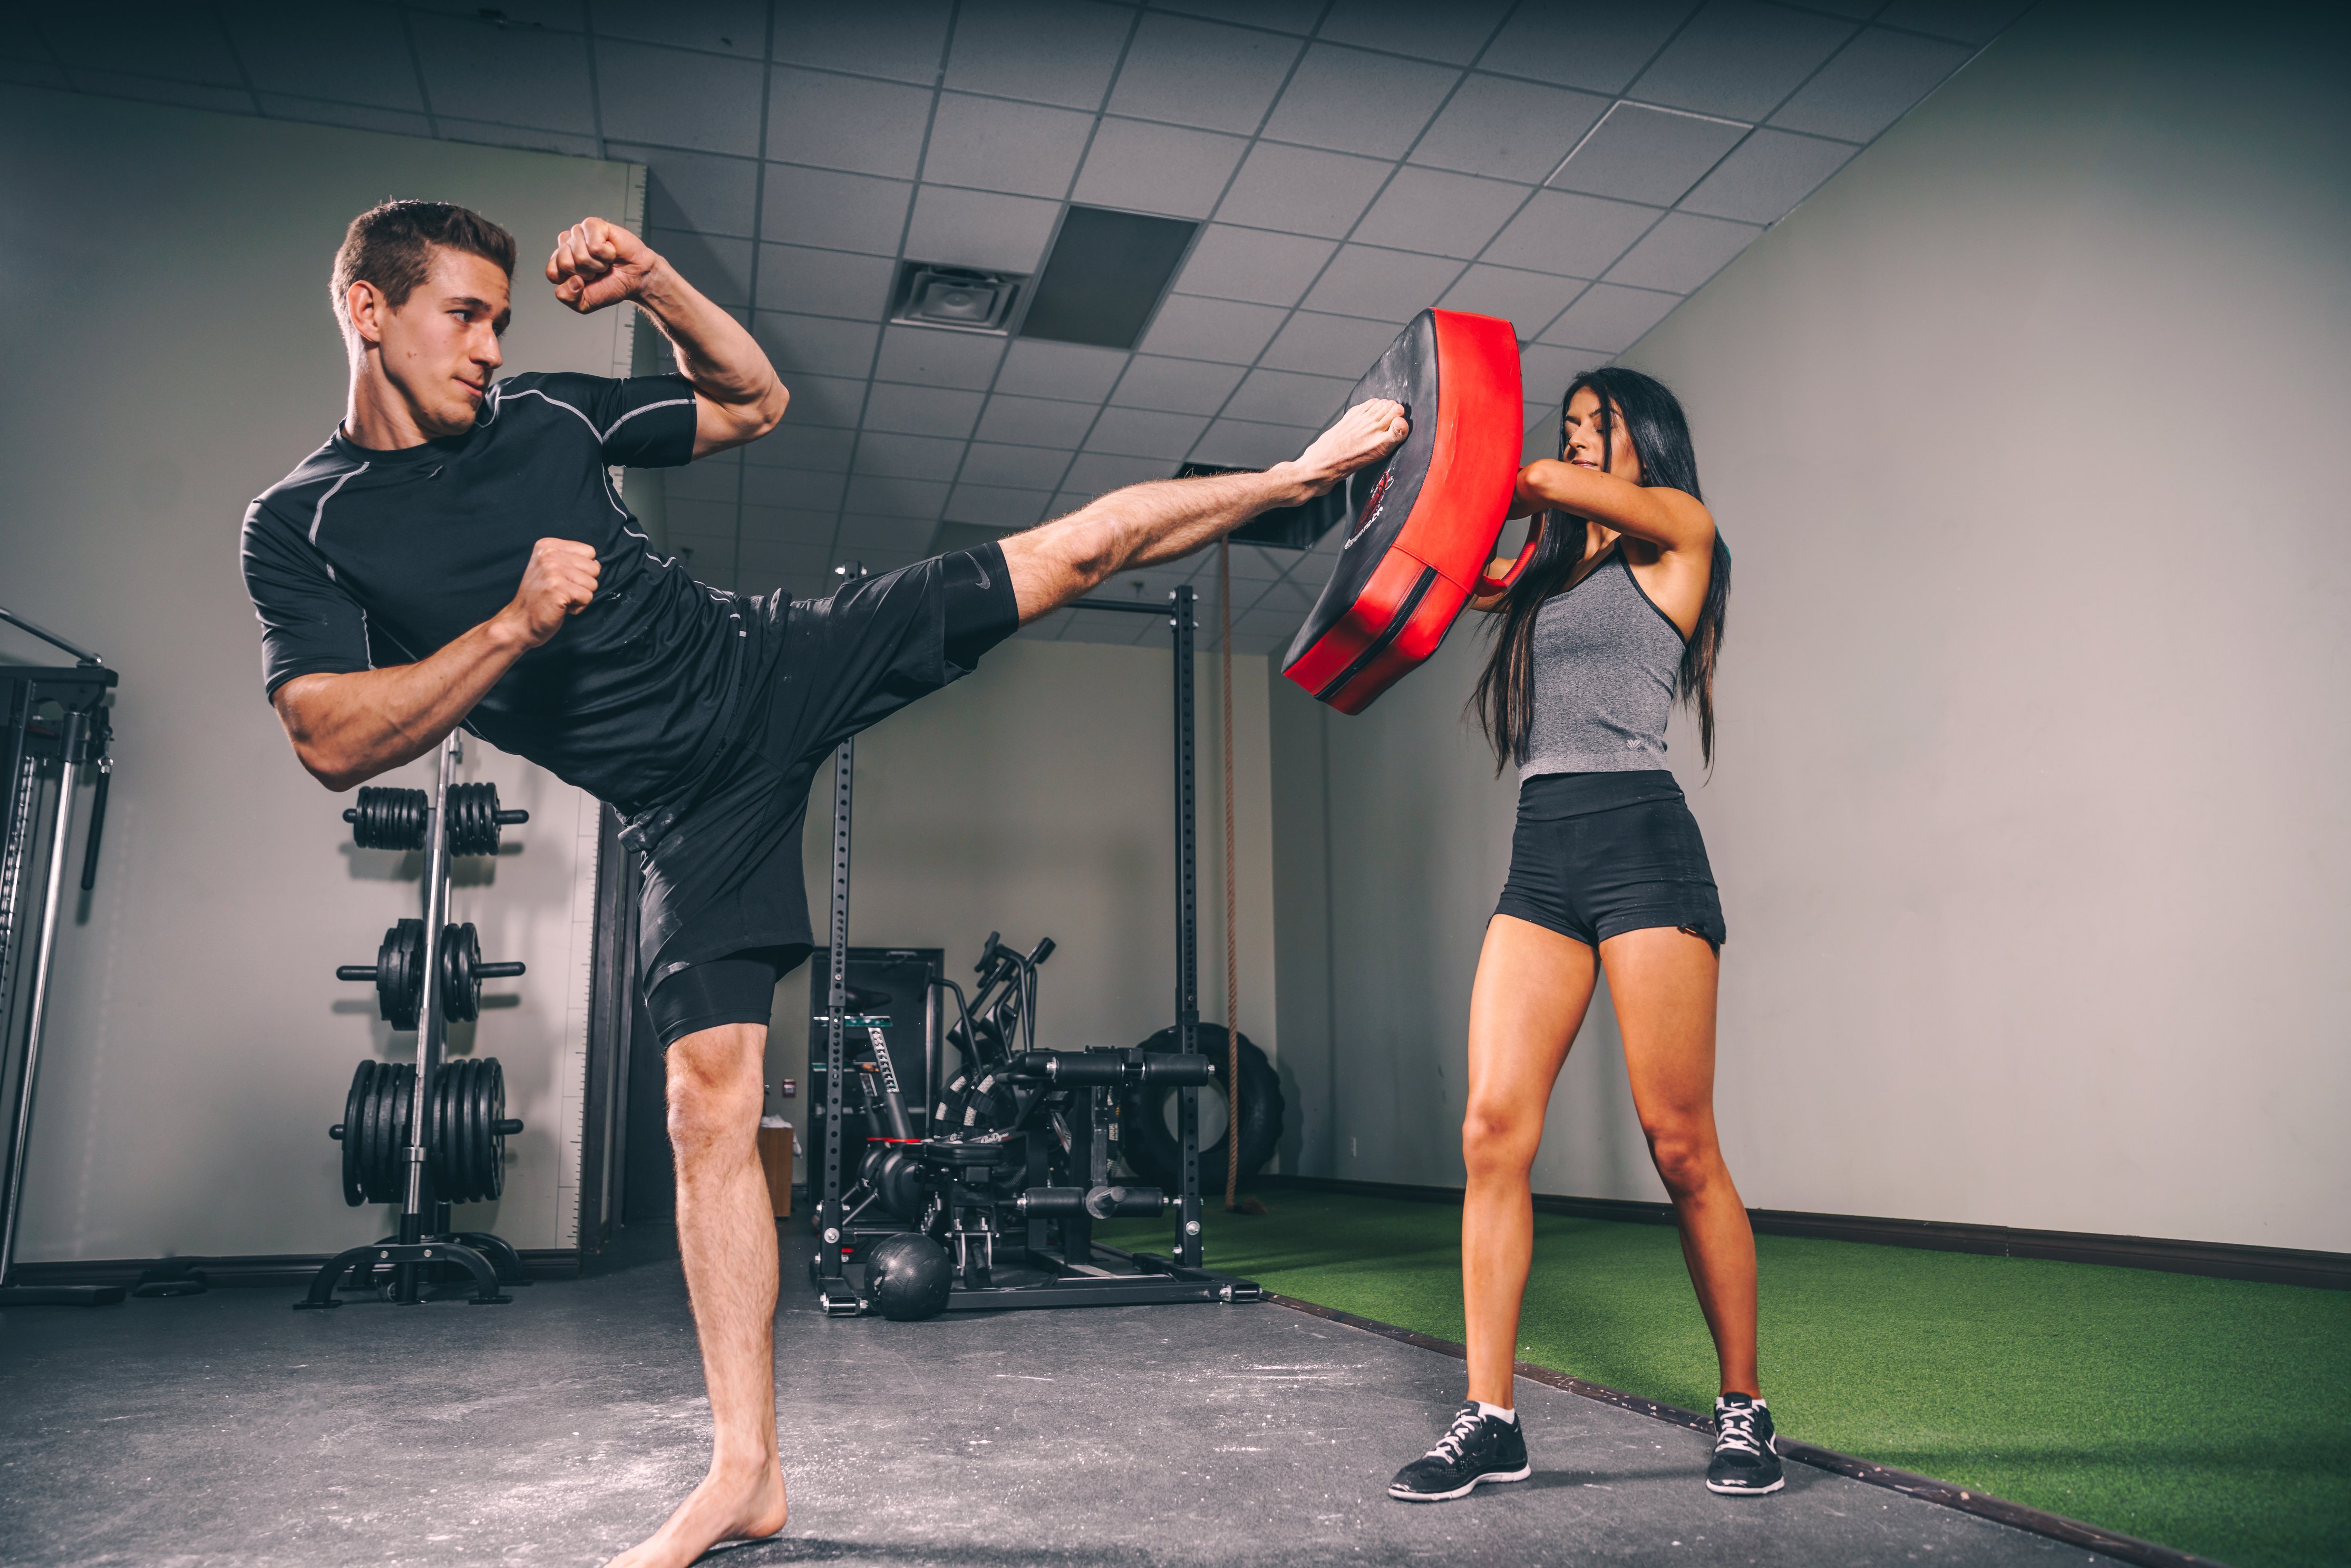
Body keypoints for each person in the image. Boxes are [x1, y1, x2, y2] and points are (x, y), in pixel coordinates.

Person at [240, 199, 1408, 1568]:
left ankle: (1294, 478)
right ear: (368, 311)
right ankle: (746, 1473)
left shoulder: (548, 414)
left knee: (1069, 549)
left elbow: (752, 401)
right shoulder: (306, 525)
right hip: (683, 807)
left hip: (769, 658)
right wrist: (510, 625)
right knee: (703, 1108)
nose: (493, 344)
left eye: (503, 315)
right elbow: (328, 737)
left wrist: (661, 283)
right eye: (463, 313)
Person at [1385, 367, 1769, 1503]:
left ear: (1646, 438)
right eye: (1571, 429)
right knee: (1490, 1130)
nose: (1578, 444)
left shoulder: (1682, 537)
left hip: (1642, 843)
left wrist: (1478, 465)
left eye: (1598, 425)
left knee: (1680, 1145)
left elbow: (1531, 481)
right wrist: (1386, 486)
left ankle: (1743, 1410)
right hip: (1544, 849)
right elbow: (1448, 572)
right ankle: (1490, 1416)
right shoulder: (1554, 567)